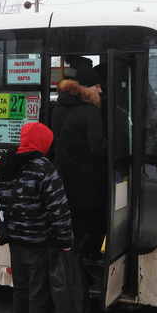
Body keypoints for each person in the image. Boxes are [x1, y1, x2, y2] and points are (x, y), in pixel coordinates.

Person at [0, 122, 73, 313]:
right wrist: (66, 241)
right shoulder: (44, 169)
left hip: (15, 242)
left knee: (21, 289)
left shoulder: (2, 165)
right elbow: (59, 210)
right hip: (40, 245)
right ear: (43, 143)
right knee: (39, 296)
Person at [50, 66, 108, 260]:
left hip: (63, 181)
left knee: (69, 230)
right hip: (86, 185)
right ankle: (79, 274)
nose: (100, 90)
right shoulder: (90, 111)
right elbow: (98, 147)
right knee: (86, 231)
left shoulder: (58, 107)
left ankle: (69, 271)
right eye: (97, 86)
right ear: (85, 88)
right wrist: (120, 147)